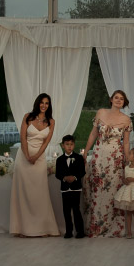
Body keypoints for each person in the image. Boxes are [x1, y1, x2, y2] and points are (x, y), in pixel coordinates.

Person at [9, 93, 59, 238]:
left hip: (39, 158)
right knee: (23, 192)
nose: (44, 105)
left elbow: (46, 142)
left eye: (47, 103)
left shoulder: (51, 121)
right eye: (42, 102)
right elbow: (22, 137)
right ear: (37, 103)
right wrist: (27, 155)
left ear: (49, 106)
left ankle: (42, 227)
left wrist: (36, 156)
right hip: (23, 158)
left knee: (39, 193)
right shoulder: (28, 117)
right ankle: (23, 229)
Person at [84, 90, 131, 237]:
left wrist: (127, 159)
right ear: (111, 99)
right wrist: (86, 151)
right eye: (116, 98)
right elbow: (93, 134)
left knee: (113, 191)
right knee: (98, 190)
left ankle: (113, 228)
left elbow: (127, 142)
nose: (118, 100)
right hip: (99, 156)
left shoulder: (126, 120)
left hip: (115, 159)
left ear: (124, 102)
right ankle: (96, 227)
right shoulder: (101, 112)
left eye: (121, 99)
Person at [54, 135, 86, 239]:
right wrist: (64, 178)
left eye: (71, 144)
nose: (69, 146)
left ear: (74, 145)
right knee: (66, 211)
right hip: (65, 189)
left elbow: (82, 172)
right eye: (67, 144)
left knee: (76, 209)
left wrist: (75, 177)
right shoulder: (59, 160)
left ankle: (80, 231)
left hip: (76, 188)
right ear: (63, 145)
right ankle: (69, 231)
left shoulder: (79, 158)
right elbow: (57, 174)